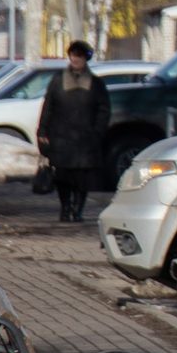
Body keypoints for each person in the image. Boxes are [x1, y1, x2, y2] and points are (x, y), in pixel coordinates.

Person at [36, 40, 110, 222]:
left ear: (86, 59)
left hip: (86, 138)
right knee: (62, 176)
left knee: (82, 178)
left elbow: (104, 109)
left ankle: (78, 210)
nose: (76, 59)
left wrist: (98, 131)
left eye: (80, 56)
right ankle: (65, 208)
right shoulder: (58, 80)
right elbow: (48, 106)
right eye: (73, 55)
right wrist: (42, 131)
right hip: (61, 137)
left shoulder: (96, 83)